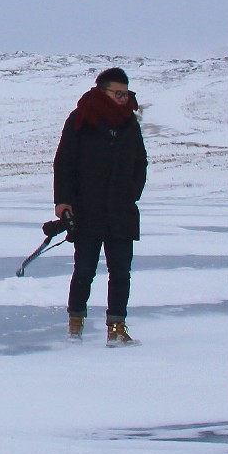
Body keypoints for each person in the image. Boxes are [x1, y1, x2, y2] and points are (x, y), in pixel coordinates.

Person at [53, 68, 147, 345]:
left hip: (121, 211)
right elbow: (64, 162)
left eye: (126, 93)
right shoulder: (82, 119)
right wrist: (63, 202)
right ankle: (75, 324)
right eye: (118, 93)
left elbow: (140, 163)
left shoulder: (130, 124)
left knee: (121, 272)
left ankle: (116, 328)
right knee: (84, 270)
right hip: (87, 209)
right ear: (103, 91)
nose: (123, 98)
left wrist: (132, 192)